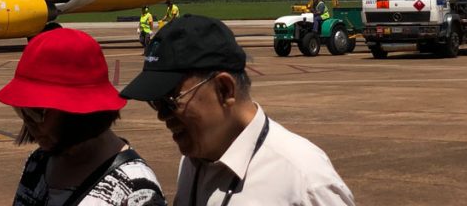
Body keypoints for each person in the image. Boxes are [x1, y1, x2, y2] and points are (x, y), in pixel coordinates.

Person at [121, 15, 354, 205]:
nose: (162, 116)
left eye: (171, 101)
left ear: (224, 90)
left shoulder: (305, 182)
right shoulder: (193, 162)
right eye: (156, 103)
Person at [0, 28, 166, 206]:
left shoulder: (135, 189)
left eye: (36, 112)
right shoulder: (39, 162)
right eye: (21, 110)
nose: (28, 122)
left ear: (77, 112)